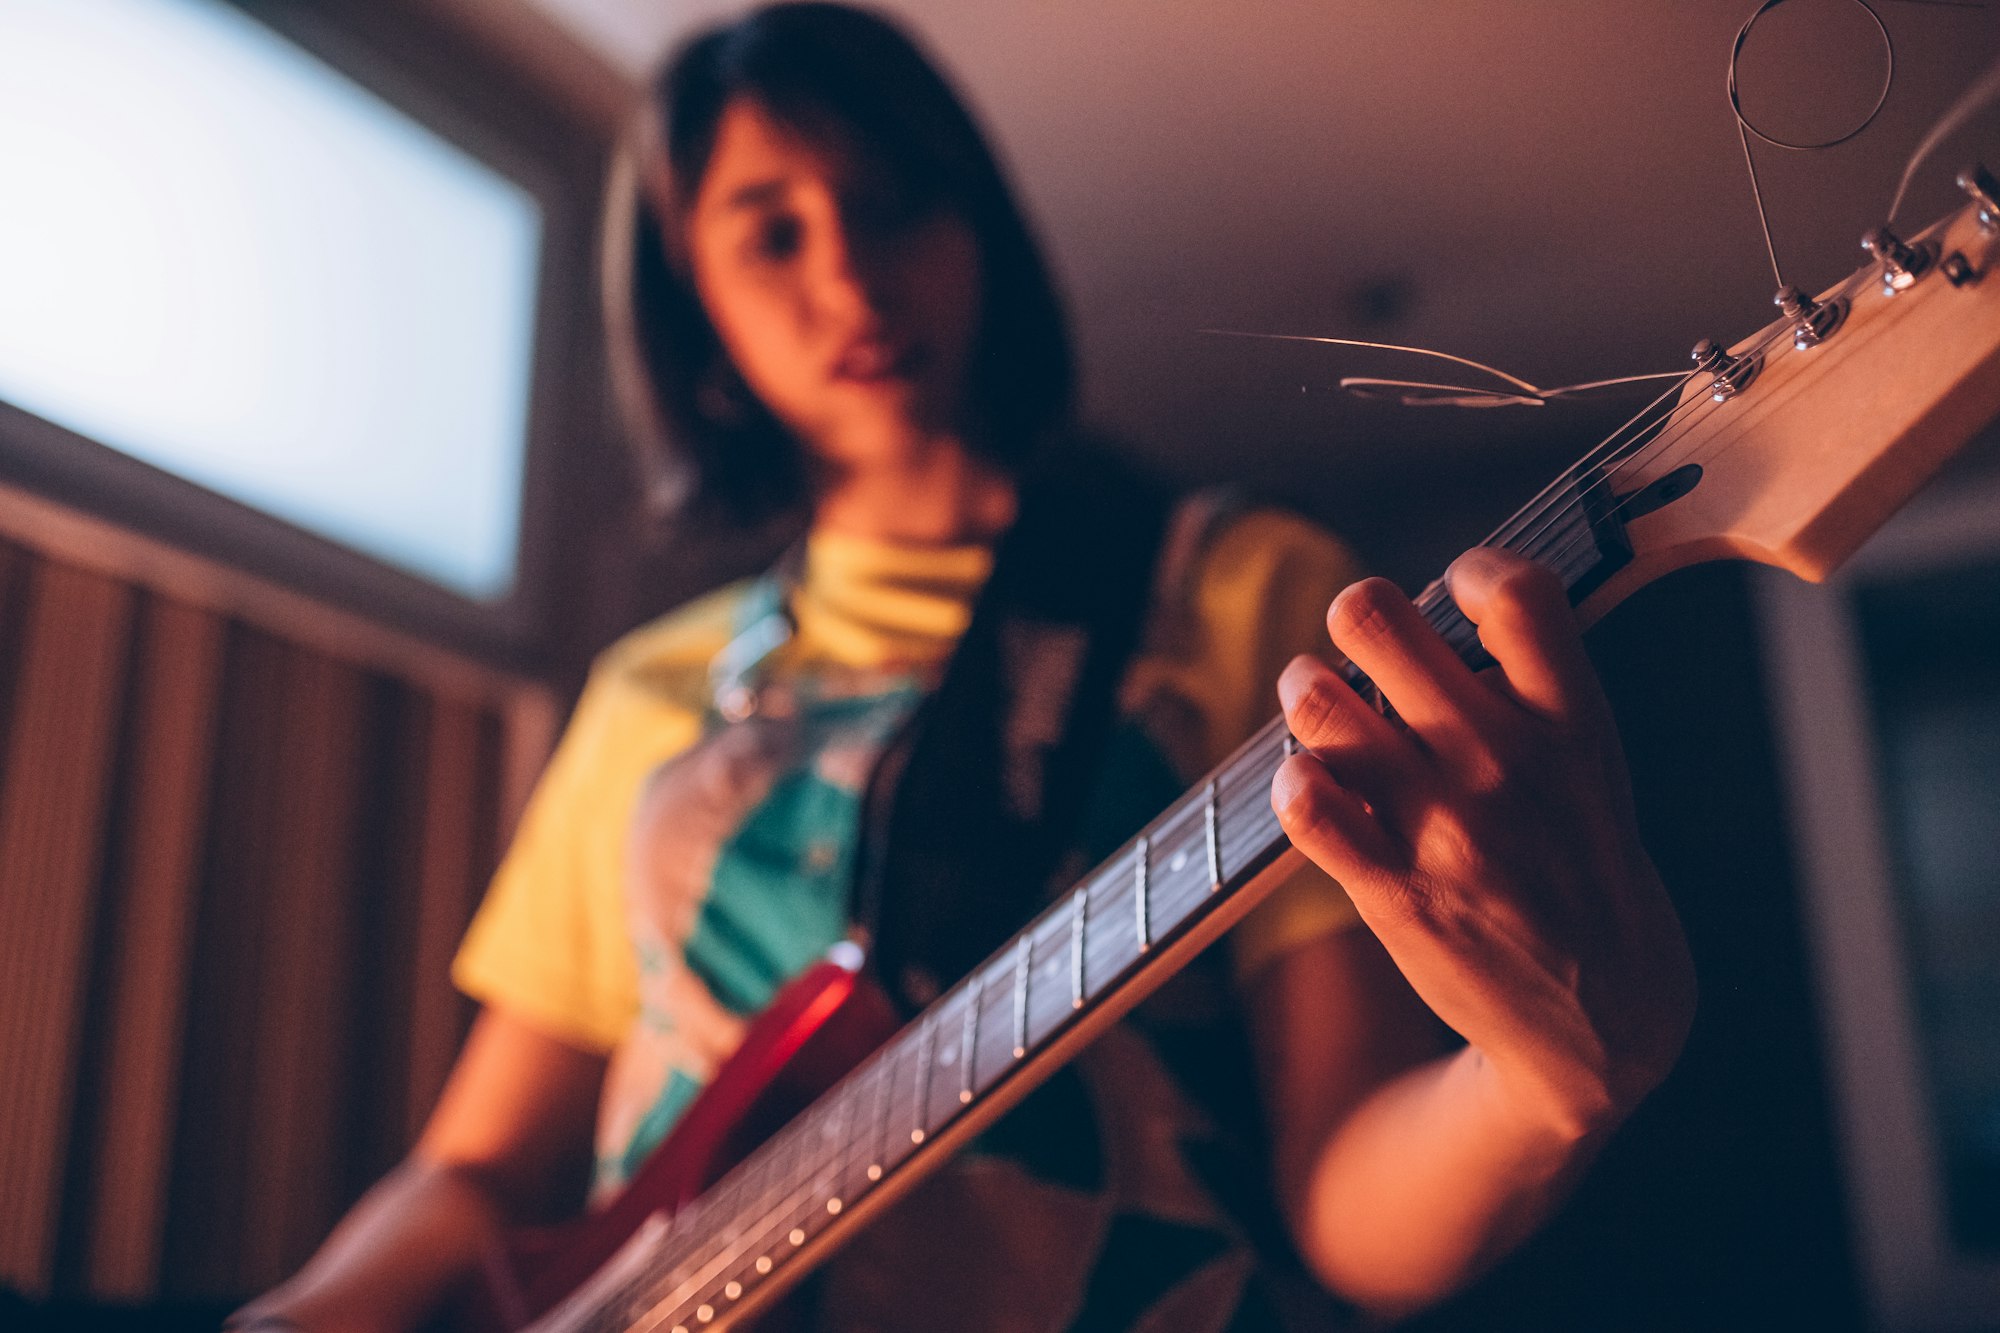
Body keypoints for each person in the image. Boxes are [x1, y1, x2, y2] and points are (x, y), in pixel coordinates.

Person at [231, 5, 1694, 1329]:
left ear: (978, 232)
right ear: (702, 320)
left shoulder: (1247, 588)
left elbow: (1345, 1210)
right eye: (771, 232)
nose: (851, 272)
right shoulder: (648, 689)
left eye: (891, 204)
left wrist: (1548, 1087)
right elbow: (478, 1168)